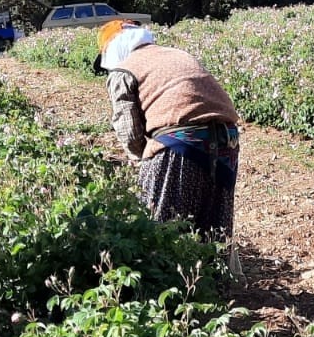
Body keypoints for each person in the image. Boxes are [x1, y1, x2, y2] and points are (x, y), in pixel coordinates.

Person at [92, 20, 241, 241]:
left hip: (181, 143)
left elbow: (129, 132)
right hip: (227, 140)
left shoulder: (124, 70)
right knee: (214, 227)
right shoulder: (176, 55)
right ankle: (219, 273)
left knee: (163, 228)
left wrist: (145, 161)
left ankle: (173, 273)